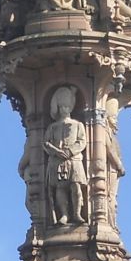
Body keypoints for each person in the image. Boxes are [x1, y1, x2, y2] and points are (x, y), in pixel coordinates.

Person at [43, 86, 88, 225]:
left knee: (76, 186)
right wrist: (56, 151)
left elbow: (82, 141)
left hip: (74, 159)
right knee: (60, 189)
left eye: (67, 106)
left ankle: (77, 214)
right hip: (57, 161)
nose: (64, 109)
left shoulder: (78, 125)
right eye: (62, 106)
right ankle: (64, 215)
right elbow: (45, 143)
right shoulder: (52, 127)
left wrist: (69, 152)